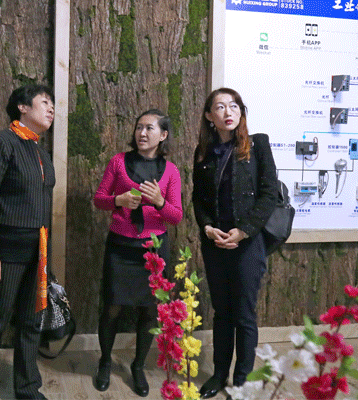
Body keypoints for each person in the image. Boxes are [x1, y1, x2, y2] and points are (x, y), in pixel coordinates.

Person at [0, 84, 55, 400]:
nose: (51, 108)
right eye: (44, 101)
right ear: (22, 107)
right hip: (6, 250)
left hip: (38, 250)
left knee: (31, 322)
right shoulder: (1, 143)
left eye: (52, 103)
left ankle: (27, 388)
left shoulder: (40, 151)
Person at [192, 88, 277, 399]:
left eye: (234, 106)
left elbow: (269, 195)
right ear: (209, 116)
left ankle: (242, 382)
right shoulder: (203, 152)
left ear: (241, 111)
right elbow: (198, 199)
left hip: (247, 243)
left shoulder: (258, 145)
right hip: (215, 243)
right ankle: (218, 375)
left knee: (244, 314)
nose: (228, 112)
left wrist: (243, 231)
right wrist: (207, 227)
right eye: (219, 107)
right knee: (222, 313)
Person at [92, 109, 183, 397]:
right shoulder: (118, 162)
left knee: (149, 310)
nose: (142, 133)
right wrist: (117, 200)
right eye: (139, 127)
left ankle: (138, 366)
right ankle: (105, 362)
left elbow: (176, 216)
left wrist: (159, 202)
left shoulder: (171, 171)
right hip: (120, 246)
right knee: (112, 307)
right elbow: (99, 199)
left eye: (149, 128)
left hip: (153, 249)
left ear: (163, 135)